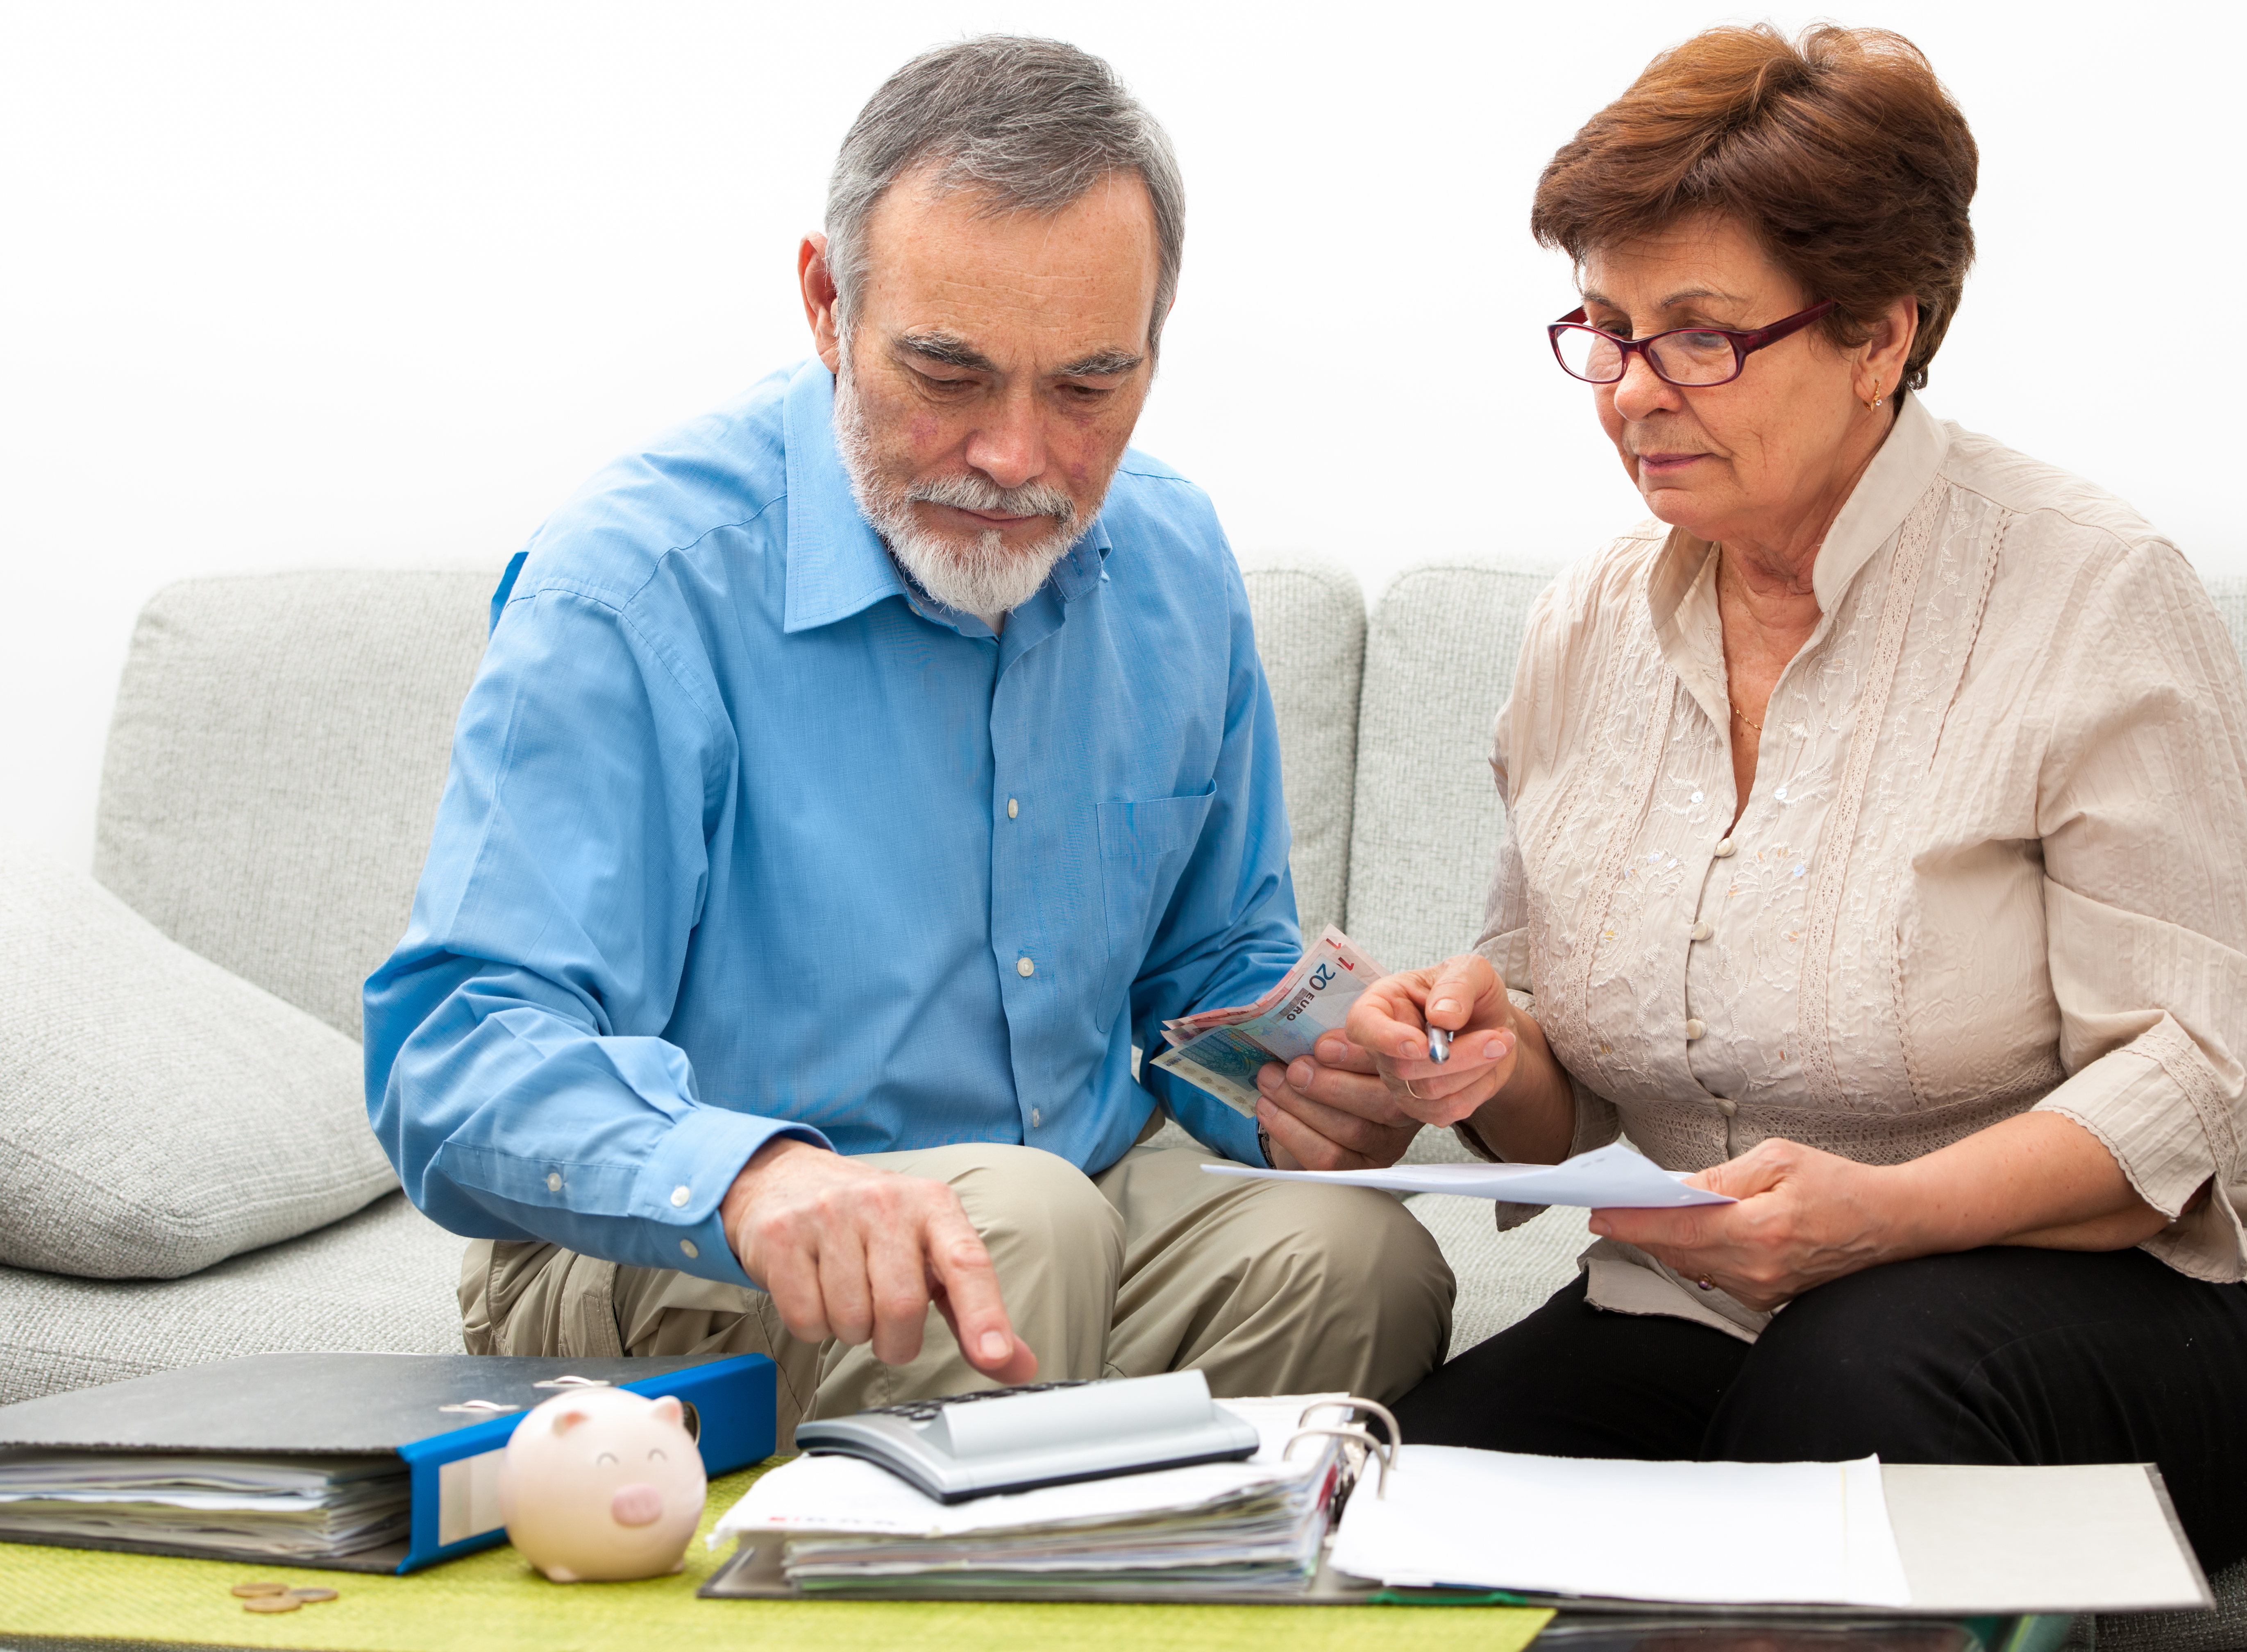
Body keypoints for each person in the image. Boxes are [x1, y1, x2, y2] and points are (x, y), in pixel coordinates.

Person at [1249, 23, 2247, 1571]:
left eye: (1702, 337)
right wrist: (1479, 1046)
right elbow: (1569, 1091)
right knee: (1397, 1518)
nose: (1635, 392)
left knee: (1852, 1391)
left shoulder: (2091, 593)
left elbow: (2186, 1083)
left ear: (1876, 334)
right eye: (1607, 328)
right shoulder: (1582, 628)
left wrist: (1873, 1218)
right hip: (1733, 1298)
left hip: (2166, 1303)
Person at [364, 36, 1449, 1442]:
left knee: (1357, 1265)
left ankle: (1126, 1582)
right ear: (828, 304)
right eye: (949, 374)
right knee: (1011, 1229)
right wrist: (753, 1178)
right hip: (684, 1240)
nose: (1014, 456)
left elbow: (1207, 963)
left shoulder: (1174, 560)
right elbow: (455, 1052)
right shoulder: (636, 587)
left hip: (1061, 1202)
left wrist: (1313, 1075)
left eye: (1086, 388)